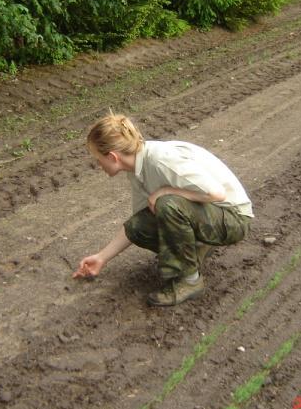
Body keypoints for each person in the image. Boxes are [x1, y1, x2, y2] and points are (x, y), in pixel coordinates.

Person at [72, 114, 254, 306]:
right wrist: (101, 258)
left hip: (234, 219)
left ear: (113, 157)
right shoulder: (137, 169)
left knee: (167, 205)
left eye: (98, 159)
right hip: (208, 214)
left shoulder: (160, 161)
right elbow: (141, 220)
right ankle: (195, 249)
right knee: (138, 226)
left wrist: (165, 191)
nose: (98, 165)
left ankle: (190, 281)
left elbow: (216, 194)